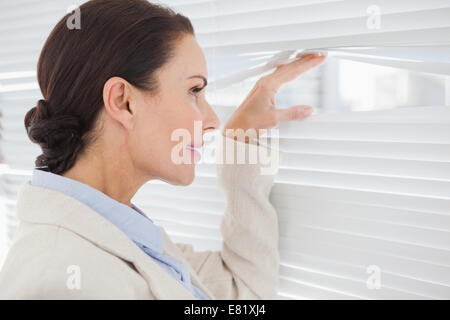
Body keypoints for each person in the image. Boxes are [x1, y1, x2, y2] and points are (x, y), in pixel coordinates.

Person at [0, 0, 325, 299]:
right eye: (194, 90)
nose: (212, 121)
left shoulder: (127, 237)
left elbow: (241, 294)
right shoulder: (59, 280)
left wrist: (240, 142)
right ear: (123, 102)